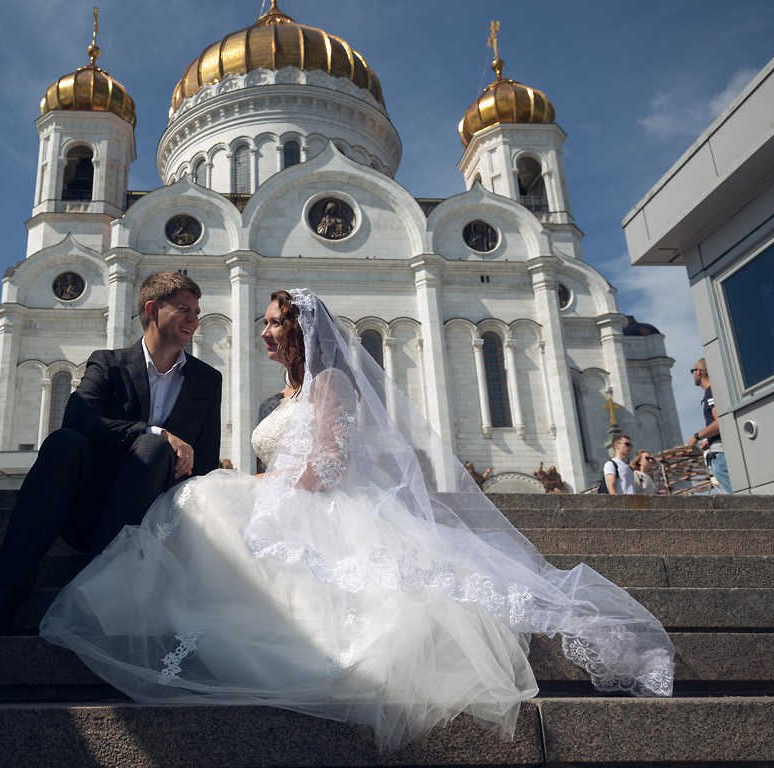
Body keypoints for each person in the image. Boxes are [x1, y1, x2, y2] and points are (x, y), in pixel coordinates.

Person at [41, 289, 673, 751]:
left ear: (299, 332)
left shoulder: (331, 386)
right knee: (198, 505)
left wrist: (252, 486)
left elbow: (327, 470)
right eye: (263, 324)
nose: (261, 334)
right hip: (284, 498)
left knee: (201, 505)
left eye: (271, 324)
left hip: (316, 505)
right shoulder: (284, 395)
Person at [0, 272, 223, 635]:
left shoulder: (206, 380)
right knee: (65, 442)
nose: (195, 317)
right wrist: (156, 431)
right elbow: (78, 419)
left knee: (151, 447)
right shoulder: (109, 363)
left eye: (196, 309)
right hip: (89, 510)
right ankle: (1, 597)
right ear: (151, 309)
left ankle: (93, 593)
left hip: (154, 519)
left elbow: (205, 462)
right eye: (183, 309)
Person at [686, 358, 732, 494]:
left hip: (720, 451)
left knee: (729, 489)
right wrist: (708, 440)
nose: (693, 374)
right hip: (718, 446)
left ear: (699, 372)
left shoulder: (711, 393)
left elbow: (720, 422)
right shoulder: (712, 392)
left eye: (692, 371)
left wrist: (696, 436)